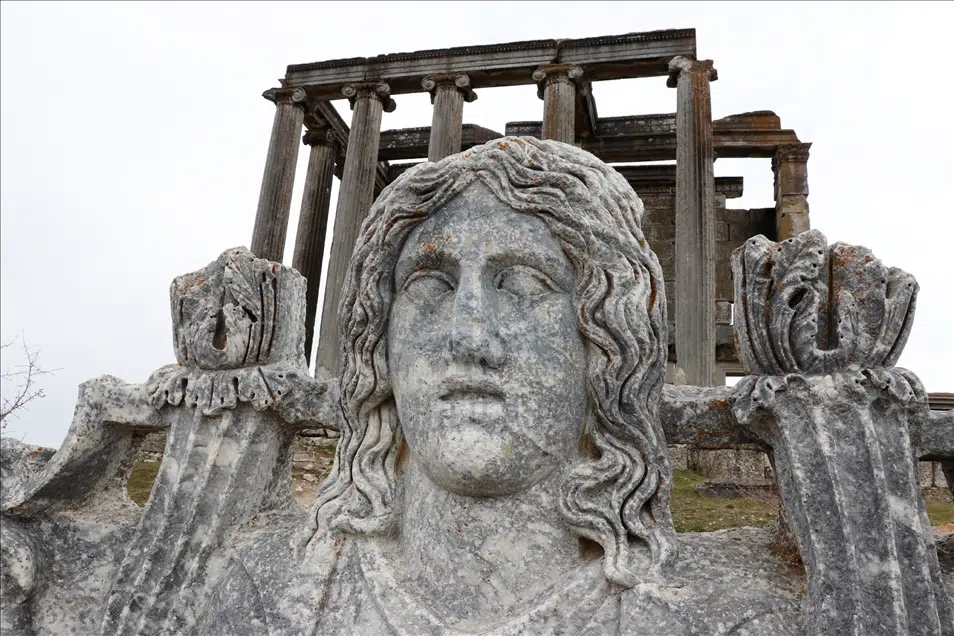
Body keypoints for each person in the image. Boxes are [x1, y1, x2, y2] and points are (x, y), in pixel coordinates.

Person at [197, 137, 802, 635]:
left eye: (525, 284)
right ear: (377, 341)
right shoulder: (263, 598)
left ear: (608, 342)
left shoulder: (728, 619)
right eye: (428, 286)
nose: (469, 337)